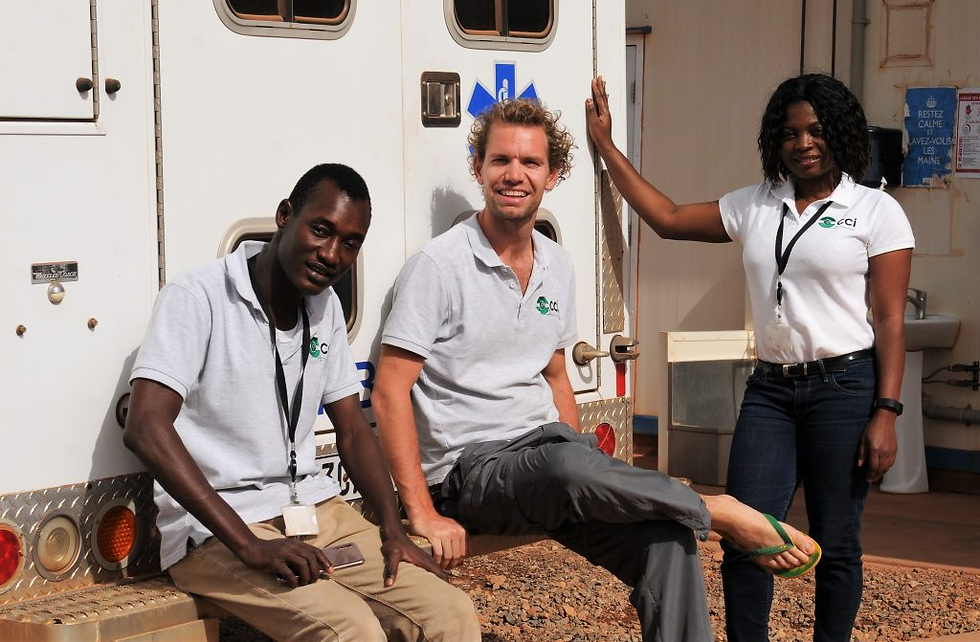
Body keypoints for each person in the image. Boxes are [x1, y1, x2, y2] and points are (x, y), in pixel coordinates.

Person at [372, 98, 820, 642]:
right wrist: (422, 512)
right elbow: (390, 393)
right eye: (500, 160)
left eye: (530, 162)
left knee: (667, 541)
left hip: (551, 460)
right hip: (473, 472)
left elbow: (555, 376)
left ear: (553, 175)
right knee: (568, 467)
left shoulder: (556, 264)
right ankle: (716, 509)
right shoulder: (437, 267)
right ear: (478, 168)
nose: (514, 174)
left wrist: (581, 459)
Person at [586, 74, 914, 642]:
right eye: (789, 133)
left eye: (816, 131)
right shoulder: (757, 204)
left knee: (837, 542)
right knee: (745, 536)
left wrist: (886, 412)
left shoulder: (875, 210)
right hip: (770, 391)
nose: (803, 143)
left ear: (839, 133)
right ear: (774, 141)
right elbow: (667, 218)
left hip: (844, 388)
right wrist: (608, 146)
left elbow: (889, 319)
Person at [124, 163, 480, 642]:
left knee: (450, 611)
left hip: (315, 513)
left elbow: (352, 429)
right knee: (351, 629)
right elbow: (146, 428)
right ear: (284, 215)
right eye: (321, 230)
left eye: (350, 243)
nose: (331, 255)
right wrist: (249, 545)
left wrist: (392, 529)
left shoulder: (324, 305)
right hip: (219, 529)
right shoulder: (198, 297)